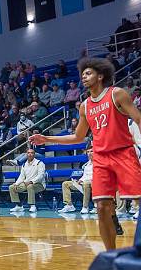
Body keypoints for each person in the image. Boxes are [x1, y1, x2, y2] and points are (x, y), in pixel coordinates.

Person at [30, 58, 141, 250]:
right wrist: (47, 139)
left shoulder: (117, 94)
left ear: (100, 76)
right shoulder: (85, 106)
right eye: (83, 74)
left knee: (139, 199)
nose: (84, 76)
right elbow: (78, 137)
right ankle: (110, 255)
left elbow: (138, 118)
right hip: (101, 158)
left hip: (123, 153)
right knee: (101, 208)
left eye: (88, 73)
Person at [8, 148, 46, 213]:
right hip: (26, 183)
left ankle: (32, 206)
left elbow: (41, 176)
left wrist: (32, 181)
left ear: (34, 154)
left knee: (30, 186)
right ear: (26, 154)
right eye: (28, 153)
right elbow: (22, 176)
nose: (30, 154)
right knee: (12, 187)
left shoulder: (39, 163)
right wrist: (16, 183)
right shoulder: (24, 164)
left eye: (32, 153)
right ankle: (18, 206)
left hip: (39, 184)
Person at [58, 146, 92, 214]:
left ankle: (85, 207)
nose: (89, 153)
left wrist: (83, 181)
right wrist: (79, 180)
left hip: (92, 183)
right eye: (88, 152)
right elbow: (85, 175)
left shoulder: (99, 162)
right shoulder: (87, 164)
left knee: (86, 184)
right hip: (83, 182)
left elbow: (96, 176)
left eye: (91, 151)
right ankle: (69, 205)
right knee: (65, 184)